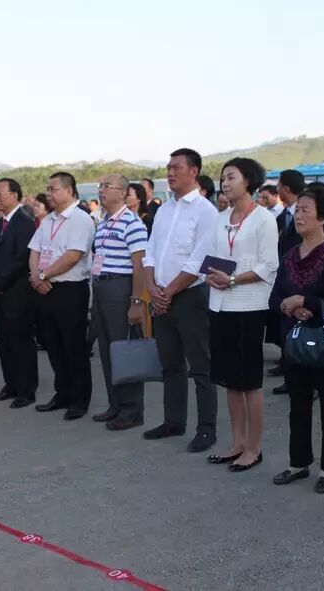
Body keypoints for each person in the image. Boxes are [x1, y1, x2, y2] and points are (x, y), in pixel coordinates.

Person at [270, 187, 324, 493]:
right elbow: (274, 297)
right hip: (295, 341)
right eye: (297, 210)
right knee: (298, 405)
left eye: (305, 210)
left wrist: (307, 302)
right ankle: (298, 462)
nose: (298, 216)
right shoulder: (290, 255)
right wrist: (289, 307)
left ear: (323, 217)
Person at [142, 148, 219, 452]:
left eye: (176, 167)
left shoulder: (205, 211)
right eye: (168, 167)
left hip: (189, 297)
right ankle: (173, 421)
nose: (170, 173)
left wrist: (169, 292)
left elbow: (199, 261)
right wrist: (152, 288)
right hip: (161, 295)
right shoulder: (164, 209)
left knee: (200, 365)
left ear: (194, 171)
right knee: (170, 363)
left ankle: (206, 429)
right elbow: (150, 252)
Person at [203, 158, 278, 471]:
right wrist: (210, 275)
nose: (224, 182)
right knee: (230, 380)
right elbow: (213, 257)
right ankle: (237, 442)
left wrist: (232, 279)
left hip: (249, 306)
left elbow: (269, 265)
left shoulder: (263, 219)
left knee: (249, 381)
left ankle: (254, 447)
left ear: (248, 180)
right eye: (223, 177)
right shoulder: (220, 218)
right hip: (220, 305)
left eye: (231, 177)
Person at [28, 172, 96, 420]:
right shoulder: (48, 220)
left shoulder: (81, 219)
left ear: (69, 191)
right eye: (47, 189)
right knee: (53, 345)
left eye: (53, 189)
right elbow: (35, 250)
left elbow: (73, 256)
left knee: (73, 346)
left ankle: (79, 399)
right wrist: (36, 277)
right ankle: (62, 393)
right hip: (45, 289)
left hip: (70, 290)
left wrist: (42, 275)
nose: (48, 193)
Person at [88, 174, 150, 430]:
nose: (101, 190)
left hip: (120, 288)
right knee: (106, 349)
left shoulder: (132, 223)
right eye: (100, 186)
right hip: (101, 287)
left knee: (124, 349)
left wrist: (136, 301)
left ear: (123, 193)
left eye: (107, 186)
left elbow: (139, 265)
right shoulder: (103, 222)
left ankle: (131, 410)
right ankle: (115, 404)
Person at [0, 177, 38, 407]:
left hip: (17, 291)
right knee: (5, 340)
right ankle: (11, 384)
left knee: (20, 341)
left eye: (0, 194)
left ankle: (26, 390)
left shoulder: (24, 223)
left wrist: (0, 281)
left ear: (15, 195)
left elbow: (21, 259)